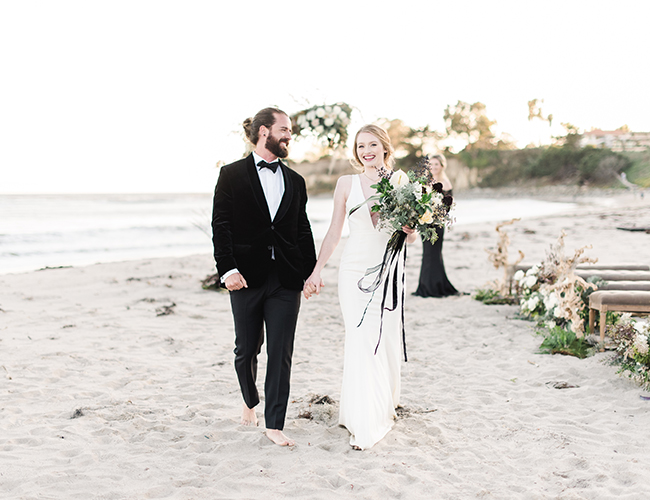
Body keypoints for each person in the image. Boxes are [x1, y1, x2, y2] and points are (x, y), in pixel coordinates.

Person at [303, 124, 417, 450]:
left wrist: (410, 228)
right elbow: (334, 233)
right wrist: (316, 270)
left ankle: (382, 406)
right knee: (361, 337)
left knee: (385, 339)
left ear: (384, 147)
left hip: (388, 269)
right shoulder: (345, 184)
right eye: (360, 146)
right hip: (353, 271)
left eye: (372, 145)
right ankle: (362, 419)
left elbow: (411, 234)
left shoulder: (401, 183)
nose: (366, 151)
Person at [212, 107, 317, 447]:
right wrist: (227, 269)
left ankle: (274, 423)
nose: (290, 135)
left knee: (281, 351)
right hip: (245, 276)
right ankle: (249, 401)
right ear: (264, 132)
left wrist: (311, 272)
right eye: (284, 129)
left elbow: (302, 230)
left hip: (286, 278)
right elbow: (221, 226)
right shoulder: (231, 175)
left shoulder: (296, 181)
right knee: (246, 350)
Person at [413, 153, 459, 297]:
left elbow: (447, 207)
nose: (433, 167)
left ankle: (435, 287)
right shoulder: (425, 181)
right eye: (431, 164)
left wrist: (434, 213)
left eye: (436, 164)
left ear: (442, 166)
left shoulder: (445, 183)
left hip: (437, 223)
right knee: (427, 254)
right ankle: (426, 287)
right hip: (424, 222)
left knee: (434, 254)